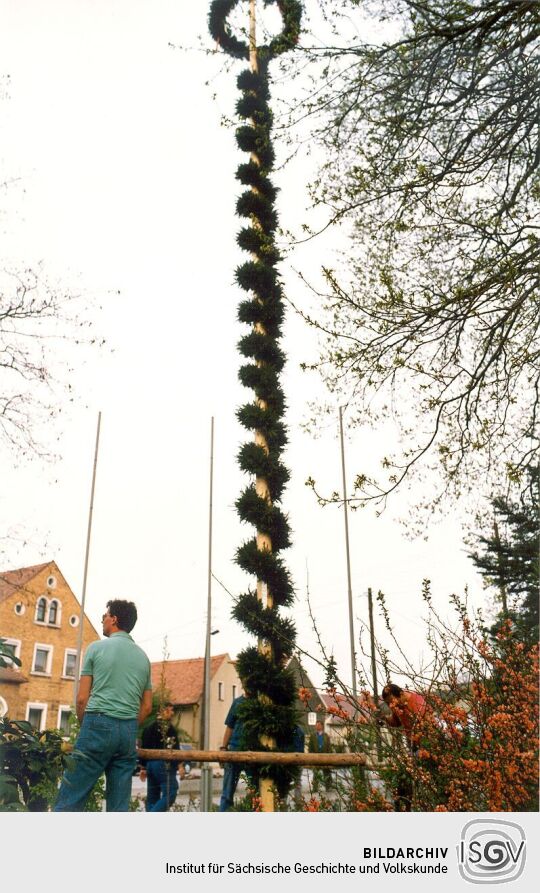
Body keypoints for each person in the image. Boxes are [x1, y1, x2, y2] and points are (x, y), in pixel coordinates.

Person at [54, 599, 153, 812]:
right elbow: (146, 707)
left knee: (69, 801)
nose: (103, 620)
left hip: (97, 724)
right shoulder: (144, 658)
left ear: (114, 619)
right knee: (118, 808)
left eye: (105, 616)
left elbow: (82, 699)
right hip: (127, 733)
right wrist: (127, 725)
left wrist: (87, 727)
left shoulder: (96, 648)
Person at [380, 682, 429, 811]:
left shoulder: (417, 703)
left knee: (414, 779)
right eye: (388, 703)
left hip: (426, 746)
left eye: (391, 701)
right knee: (403, 780)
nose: (391, 705)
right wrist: (384, 718)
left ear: (401, 694)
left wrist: (422, 748)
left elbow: (424, 728)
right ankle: (404, 807)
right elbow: (396, 722)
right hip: (412, 745)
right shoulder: (398, 706)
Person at [139, 703, 185, 811]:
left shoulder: (148, 729)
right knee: (171, 793)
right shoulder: (169, 728)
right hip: (163, 765)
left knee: (152, 799)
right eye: (171, 710)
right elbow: (175, 748)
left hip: (150, 766)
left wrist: (143, 768)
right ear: (162, 711)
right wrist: (181, 766)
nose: (173, 713)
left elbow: (143, 748)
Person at [218, 688, 257, 811]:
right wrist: (224, 747)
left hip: (252, 753)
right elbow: (230, 726)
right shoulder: (237, 702)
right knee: (227, 794)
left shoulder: (258, 703)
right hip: (234, 751)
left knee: (255, 792)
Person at [308, 720, 332, 793]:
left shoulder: (326, 736)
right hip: (316, 757)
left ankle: (328, 787)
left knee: (327, 772)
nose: (317, 726)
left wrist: (329, 756)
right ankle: (315, 788)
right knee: (316, 773)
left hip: (325, 757)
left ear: (322, 726)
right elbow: (310, 746)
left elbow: (329, 747)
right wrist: (311, 755)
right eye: (316, 725)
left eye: (318, 725)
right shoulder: (313, 736)